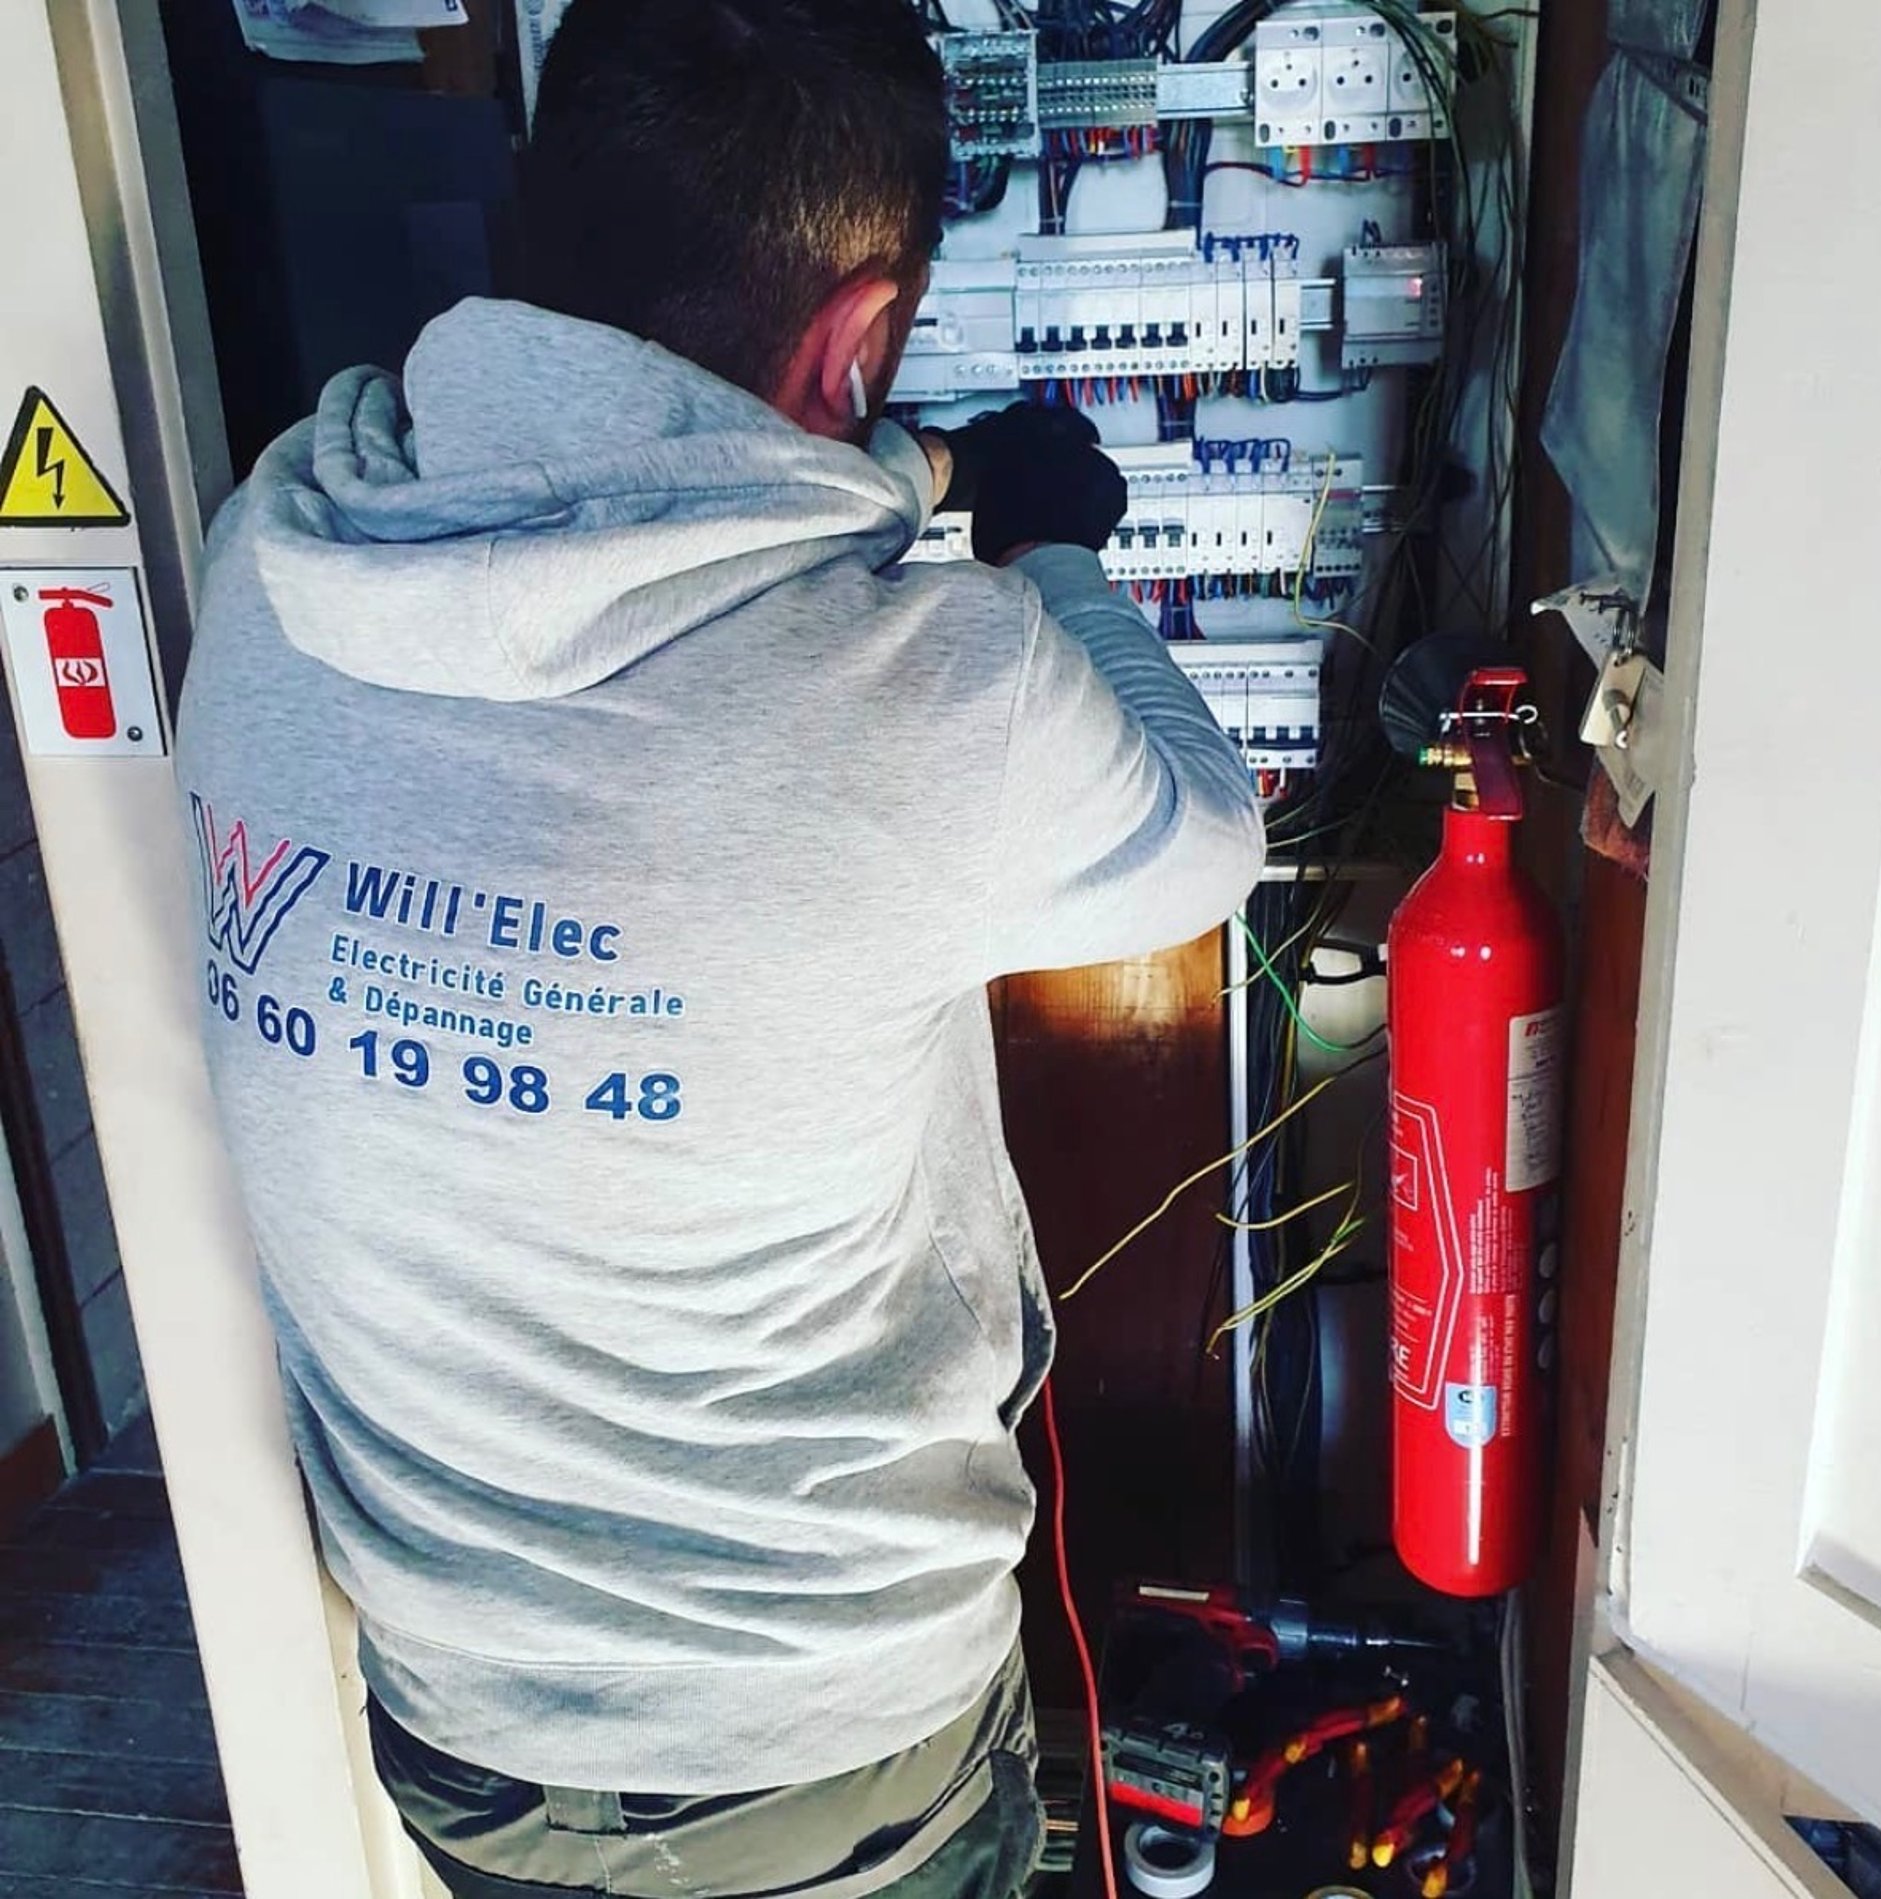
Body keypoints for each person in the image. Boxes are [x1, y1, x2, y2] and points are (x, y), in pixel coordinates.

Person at [175, 0, 1263, 1892]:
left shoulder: (272, 556)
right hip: (830, 1753)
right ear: (855, 329)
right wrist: (1052, 547)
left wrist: (893, 471)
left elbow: (609, 524)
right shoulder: (941, 697)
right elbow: (1203, 837)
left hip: (465, 1744)